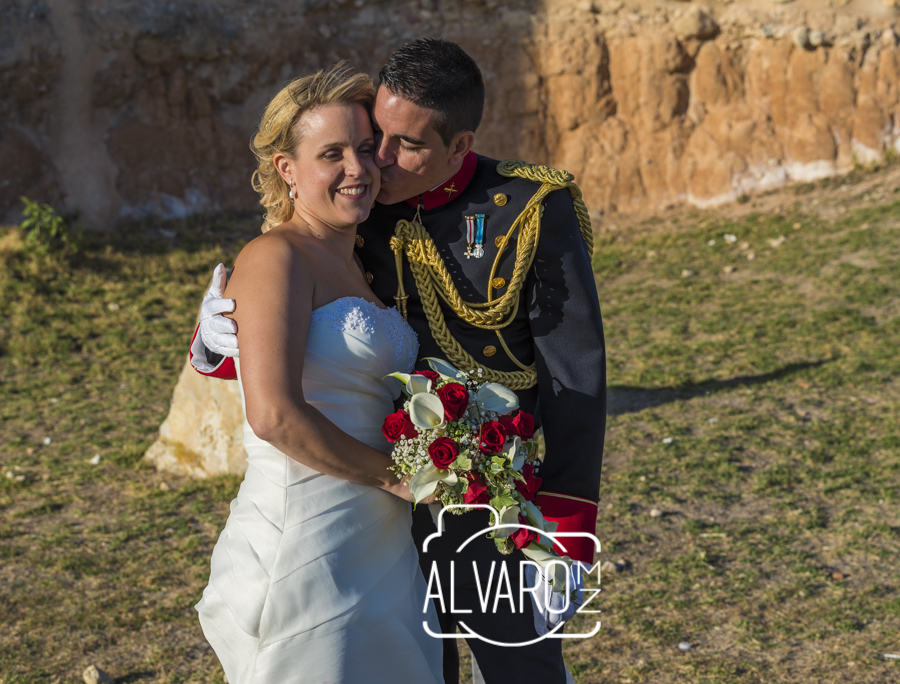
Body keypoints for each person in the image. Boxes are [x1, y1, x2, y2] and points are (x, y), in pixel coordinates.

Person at [192, 39, 606, 684]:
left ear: (459, 146)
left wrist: (567, 523)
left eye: (402, 144)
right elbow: (294, 351)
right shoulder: (357, 209)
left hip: (487, 493)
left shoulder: (526, 208)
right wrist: (216, 343)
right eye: (370, 138)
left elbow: (574, 375)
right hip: (376, 493)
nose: (375, 162)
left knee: (520, 669)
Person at [193, 61, 443, 684]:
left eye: (365, 147)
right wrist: (398, 479)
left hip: (380, 541)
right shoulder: (275, 256)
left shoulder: (365, 258)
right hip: (309, 536)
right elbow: (274, 414)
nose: (358, 168)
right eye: (332, 154)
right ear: (287, 169)